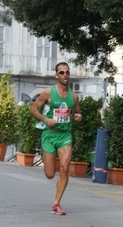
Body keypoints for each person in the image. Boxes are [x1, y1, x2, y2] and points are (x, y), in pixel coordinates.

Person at [30, 62, 82, 215]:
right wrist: (46, 120)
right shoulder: (48, 93)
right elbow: (32, 109)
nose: (65, 75)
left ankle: (56, 203)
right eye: (61, 72)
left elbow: (77, 113)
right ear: (56, 75)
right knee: (50, 174)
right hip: (49, 136)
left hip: (65, 136)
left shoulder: (74, 96)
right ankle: (51, 163)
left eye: (67, 72)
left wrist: (78, 117)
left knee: (65, 169)